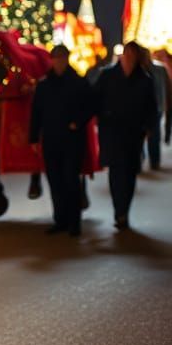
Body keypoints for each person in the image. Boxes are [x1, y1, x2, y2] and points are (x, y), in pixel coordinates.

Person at [29, 45, 94, 236]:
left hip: (72, 140)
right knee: (55, 181)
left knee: (71, 181)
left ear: (67, 59)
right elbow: (36, 113)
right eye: (55, 58)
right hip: (51, 139)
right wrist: (33, 138)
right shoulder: (44, 85)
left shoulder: (78, 82)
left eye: (62, 58)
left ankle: (74, 223)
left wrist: (78, 122)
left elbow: (91, 105)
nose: (58, 62)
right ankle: (60, 220)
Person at [93, 41, 158, 230]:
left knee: (129, 174)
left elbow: (151, 108)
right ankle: (119, 211)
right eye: (126, 55)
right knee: (115, 173)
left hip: (133, 135)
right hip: (111, 132)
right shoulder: (107, 76)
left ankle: (124, 211)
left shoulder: (145, 80)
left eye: (132, 56)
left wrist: (148, 128)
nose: (128, 59)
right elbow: (95, 99)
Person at [139, 47, 170, 170]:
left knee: (154, 134)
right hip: (142, 107)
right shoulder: (139, 70)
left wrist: (166, 103)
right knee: (140, 134)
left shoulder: (160, 69)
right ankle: (140, 159)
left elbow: (166, 87)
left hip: (157, 106)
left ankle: (154, 160)